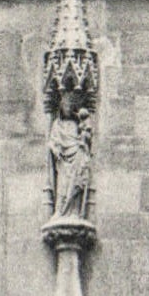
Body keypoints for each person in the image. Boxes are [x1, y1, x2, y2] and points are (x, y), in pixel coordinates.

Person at [47, 89, 93, 220]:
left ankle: (75, 211)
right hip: (62, 160)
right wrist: (56, 149)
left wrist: (84, 138)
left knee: (76, 182)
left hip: (77, 155)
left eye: (70, 105)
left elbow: (85, 136)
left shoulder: (77, 123)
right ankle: (60, 210)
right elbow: (52, 141)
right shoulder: (57, 124)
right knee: (62, 184)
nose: (68, 108)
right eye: (65, 105)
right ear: (61, 106)